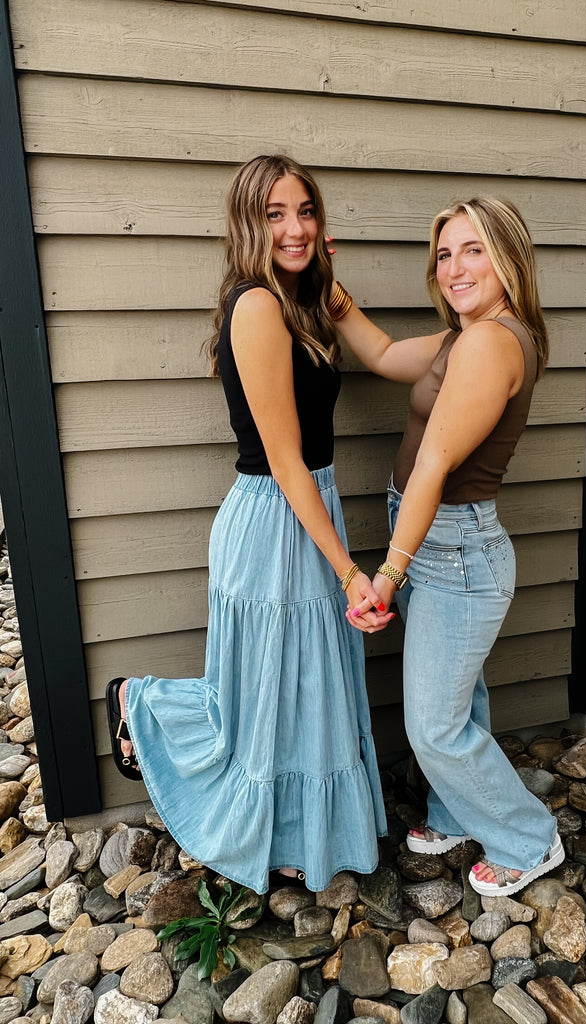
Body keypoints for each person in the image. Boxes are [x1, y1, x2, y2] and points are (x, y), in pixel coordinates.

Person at [106, 154, 390, 895]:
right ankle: (141, 702)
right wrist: (350, 571)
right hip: (274, 518)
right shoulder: (259, 305)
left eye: (306, 211)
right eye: (275, 214)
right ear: (247, 225)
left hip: (307, 508)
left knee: (298, 689)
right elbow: (287, 462)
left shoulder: (308, 297)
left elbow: (391, 355)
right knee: (264, 697)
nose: (295, 228)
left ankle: (291, 833)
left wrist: (474, 335)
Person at [331, 196, 563, 896]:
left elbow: (433, 463)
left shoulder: (493, 343)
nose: (455, 267)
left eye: (473, 250)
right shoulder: (464, 337)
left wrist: (389, 573)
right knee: (458, 703)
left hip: (454, 552)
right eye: (444, 254)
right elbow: (380, 354)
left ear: (508, 258)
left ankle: (529, 839)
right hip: (438, 544)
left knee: (434, 726)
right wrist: (327, 290)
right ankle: (457, 813)